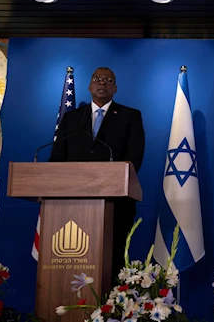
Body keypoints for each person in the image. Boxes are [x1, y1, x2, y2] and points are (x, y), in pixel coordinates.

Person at [49, 67, 145, 283]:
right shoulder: (71, 119)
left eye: (108, 80)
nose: (103, 83)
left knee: (112, 263)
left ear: (115, 88)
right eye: (98, 79)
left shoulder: (130, 116)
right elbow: (56, 158)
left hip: (116, 205)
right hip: (70, 206)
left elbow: (134, 158)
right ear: (90, 86)